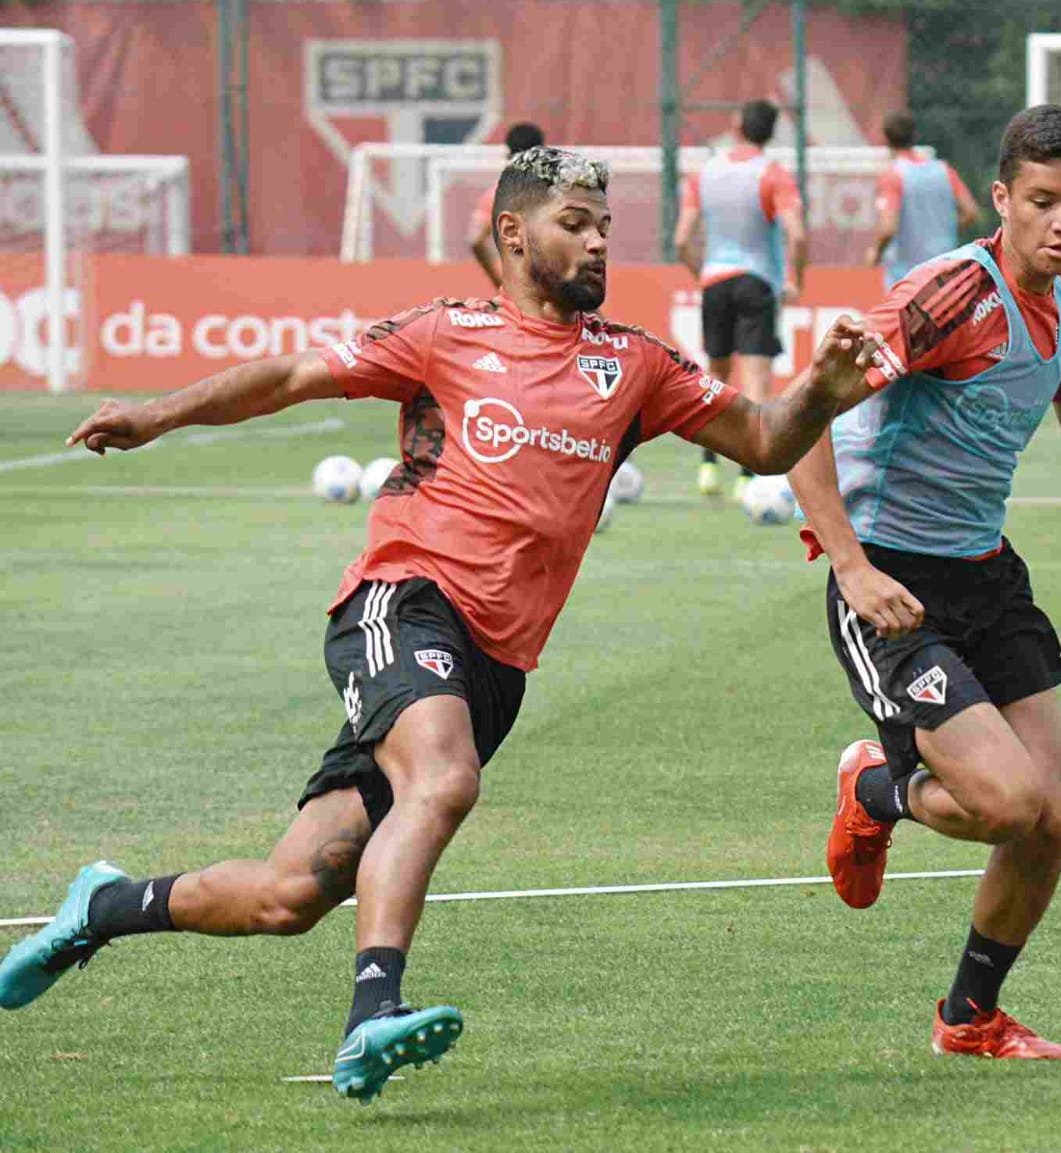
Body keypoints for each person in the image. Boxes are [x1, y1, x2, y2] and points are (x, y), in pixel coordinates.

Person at [0, 147, 881, 1103]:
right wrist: (160, 414)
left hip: (496, 665)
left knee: (291, 892)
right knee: (444, 777)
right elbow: (293, 374)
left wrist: (824, 391)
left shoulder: (634, 363)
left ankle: (101, 905)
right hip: (402, 599)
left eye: (604, 228)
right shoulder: (443, 333)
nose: (596, 243)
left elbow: (763, 440)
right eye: (574, 224)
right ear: (512, 234)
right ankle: (373, 1011)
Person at [789, 106, 1061, 1060]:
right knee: (1007, 803)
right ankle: (877, 794)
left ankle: (968, 1018)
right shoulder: (948, 297)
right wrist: (851, 565)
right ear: (1001, 200)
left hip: (987, 575)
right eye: (1042, 202)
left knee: (1049, 818)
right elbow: (803, 411)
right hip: (892, 580)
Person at [674, 99, 808, 498]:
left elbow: (681, 238)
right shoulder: (774, 174)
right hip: (757, 281)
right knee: (755, 381)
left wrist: (703, 273)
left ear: (736, 126)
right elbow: (796, 233)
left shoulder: (705, 173)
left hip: (714, 280)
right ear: (770, 133)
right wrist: (794, 278)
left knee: (714, 376)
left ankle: (708, 468)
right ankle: (749, 477)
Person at [866, 110, 980, 291]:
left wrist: (876, 253)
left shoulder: (893, 176)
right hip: (945, 272)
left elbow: (888, 228)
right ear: (914, 135)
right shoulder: (944, 170)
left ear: (885, 139)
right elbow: (971, 212)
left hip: (906, 278)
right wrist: (944, 230)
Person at [468, 122, 545, 286]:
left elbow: (475, 239)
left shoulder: (496, 194)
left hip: (518, 291)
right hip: (555, 287)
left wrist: (498, 281)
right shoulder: (556, 191)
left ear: (508, 153)